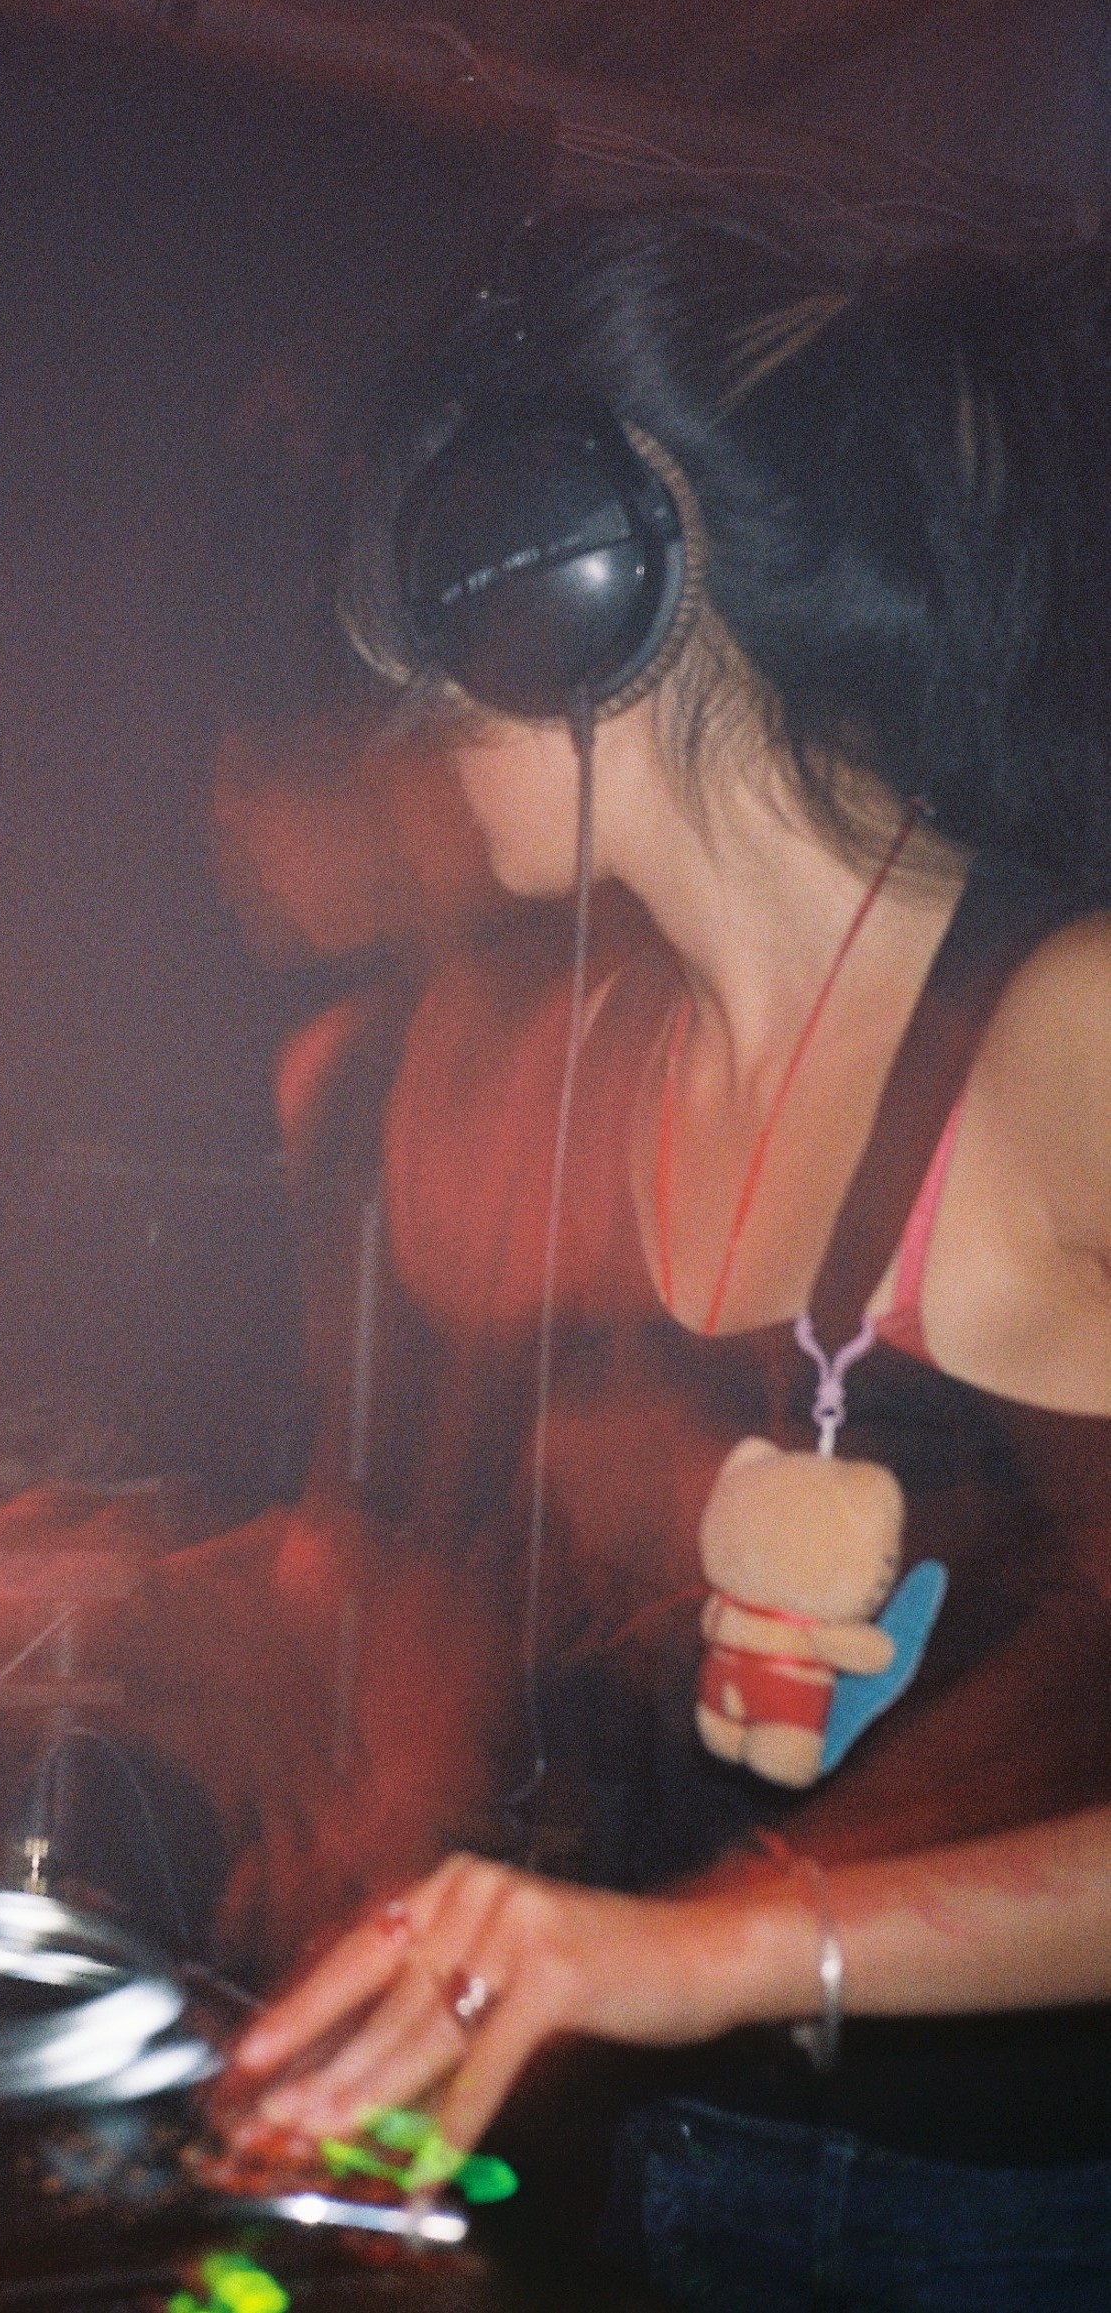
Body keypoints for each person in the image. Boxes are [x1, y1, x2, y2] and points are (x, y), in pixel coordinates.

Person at [224, 201, 1111, 2309]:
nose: (407, 702)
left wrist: (709, 1953)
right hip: (635, 2186)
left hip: (999, 2227)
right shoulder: (611, 1050)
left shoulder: (1064, 1029)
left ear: (595, 584)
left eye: (448, 581)